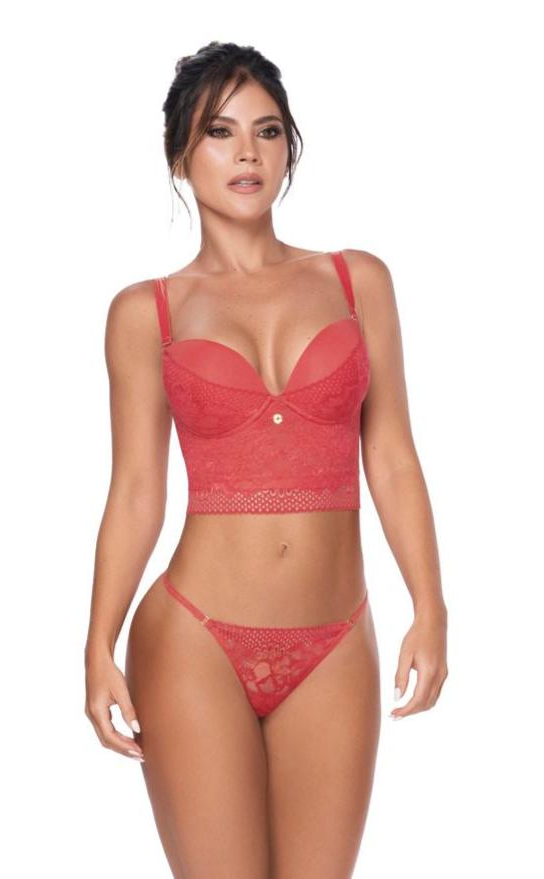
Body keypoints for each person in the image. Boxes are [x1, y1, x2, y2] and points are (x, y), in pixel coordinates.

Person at [84, 41, 448, 878]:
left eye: (268, 130)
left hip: (336, 640)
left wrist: (430, 606)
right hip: (194, 640)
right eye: (220, 132)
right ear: (180, 156)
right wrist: (97, 642)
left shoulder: (358, 281)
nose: (247, 152)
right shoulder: (146, 312)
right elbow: (136, 490)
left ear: (290, 147)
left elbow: (393, 456)